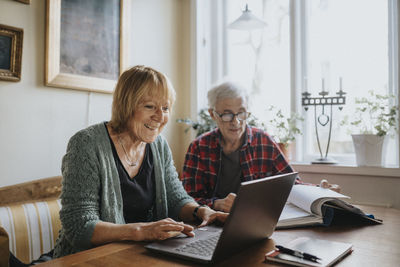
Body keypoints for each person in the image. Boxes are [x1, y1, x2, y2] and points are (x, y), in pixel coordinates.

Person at [53, 65, 227, 258]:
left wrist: (201, 211)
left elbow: (175, 197)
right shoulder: (86, 144)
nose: (160, 117)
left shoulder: (158, 145)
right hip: (88, 259)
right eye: (150, 106)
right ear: (126, 106)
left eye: (166, 108)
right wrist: (141, 231)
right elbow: (79, 226)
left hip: (138, 255)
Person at [182, 81, 339, 213]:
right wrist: (217, 204)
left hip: (256, 220)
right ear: (213, 114)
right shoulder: (199, 147)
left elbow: (291, 185)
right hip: (212, 224)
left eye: (241, 113)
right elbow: (187, 200)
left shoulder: (264, 141)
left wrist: (320, 191)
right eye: (227, 114)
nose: (235, 122)